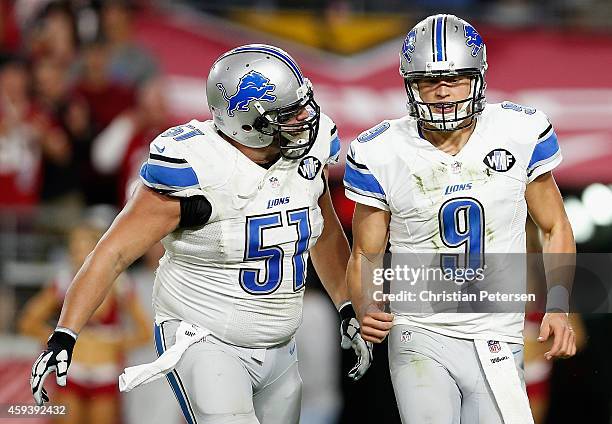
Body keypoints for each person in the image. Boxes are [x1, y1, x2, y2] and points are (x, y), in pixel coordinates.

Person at [29, 44, 371, 424]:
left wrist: (346, 304)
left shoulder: (307, 153)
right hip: (204, 337)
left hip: (279, 343)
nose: (305, 118)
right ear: (245, 119)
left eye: (303, 105)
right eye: (288, 113)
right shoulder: (197, 169)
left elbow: (321, 230)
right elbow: (113, 252)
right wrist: (66, 332)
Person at [344, 14, 576, 423]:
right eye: (428, 81)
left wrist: (557, 305)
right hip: (420, 328)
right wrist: (366, 303)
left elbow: (554, 225)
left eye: (455, 78)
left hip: (498, 330)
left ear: (479, 78)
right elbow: (366, 250)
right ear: (408, 83)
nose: (442, 92)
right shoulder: (380, 150)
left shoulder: (518, 131)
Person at [19, 221, 151, 424]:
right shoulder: (64, 283)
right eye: (74, 250)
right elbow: (28, 322)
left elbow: (145, 333)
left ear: (98, 251)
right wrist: (59, 342)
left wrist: (115, 344)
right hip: (72, 370)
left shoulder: (120, 285)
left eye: (84, 249)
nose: (78, 256)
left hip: (105, 372)